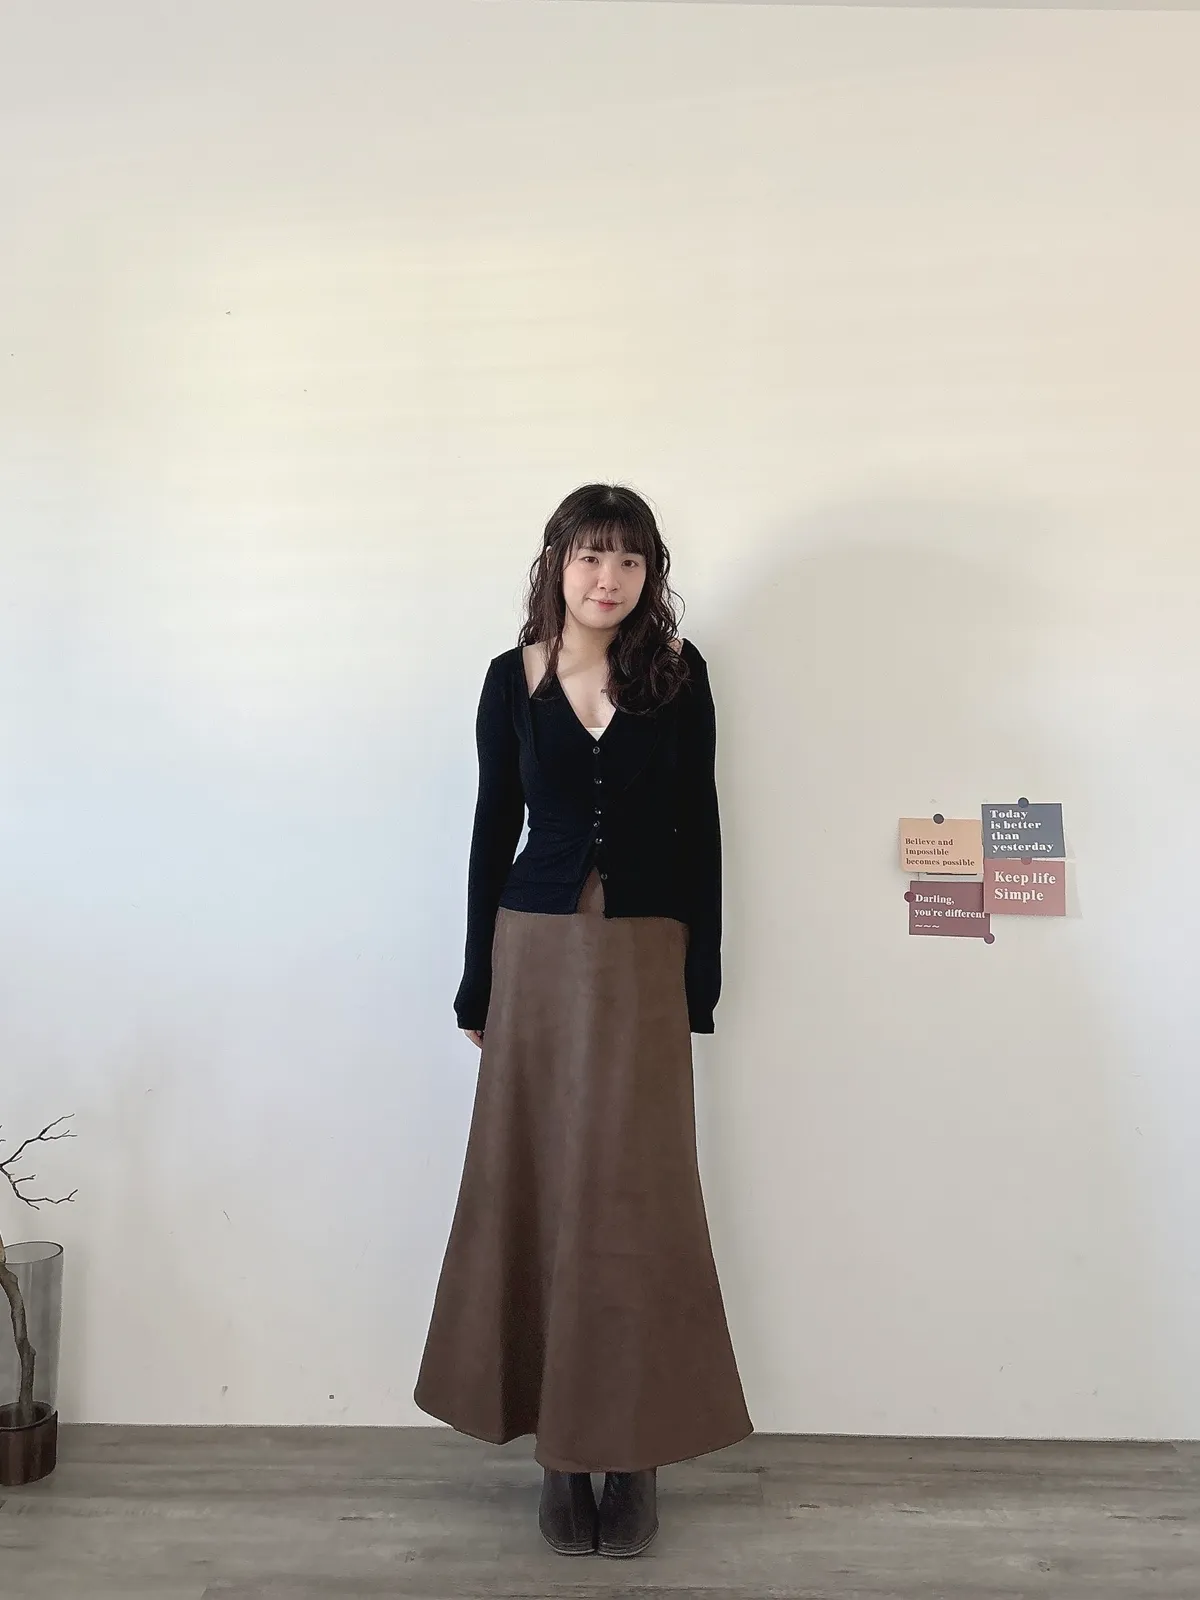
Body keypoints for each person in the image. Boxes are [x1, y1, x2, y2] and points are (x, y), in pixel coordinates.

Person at [413, 483, 752, 1557]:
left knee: (636, 1195)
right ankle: (560, 1454)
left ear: (652, 574)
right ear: (556, 562)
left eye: (630, 561)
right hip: (538, 952)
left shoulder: (679, 675)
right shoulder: (508, 680)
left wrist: (700, 978)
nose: (609, 580)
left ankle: (633, 1450)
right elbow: (490, 831)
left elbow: (700, 826)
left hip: (646, 955)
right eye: (590, 557)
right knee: (541, 1183)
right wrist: (478, 985)